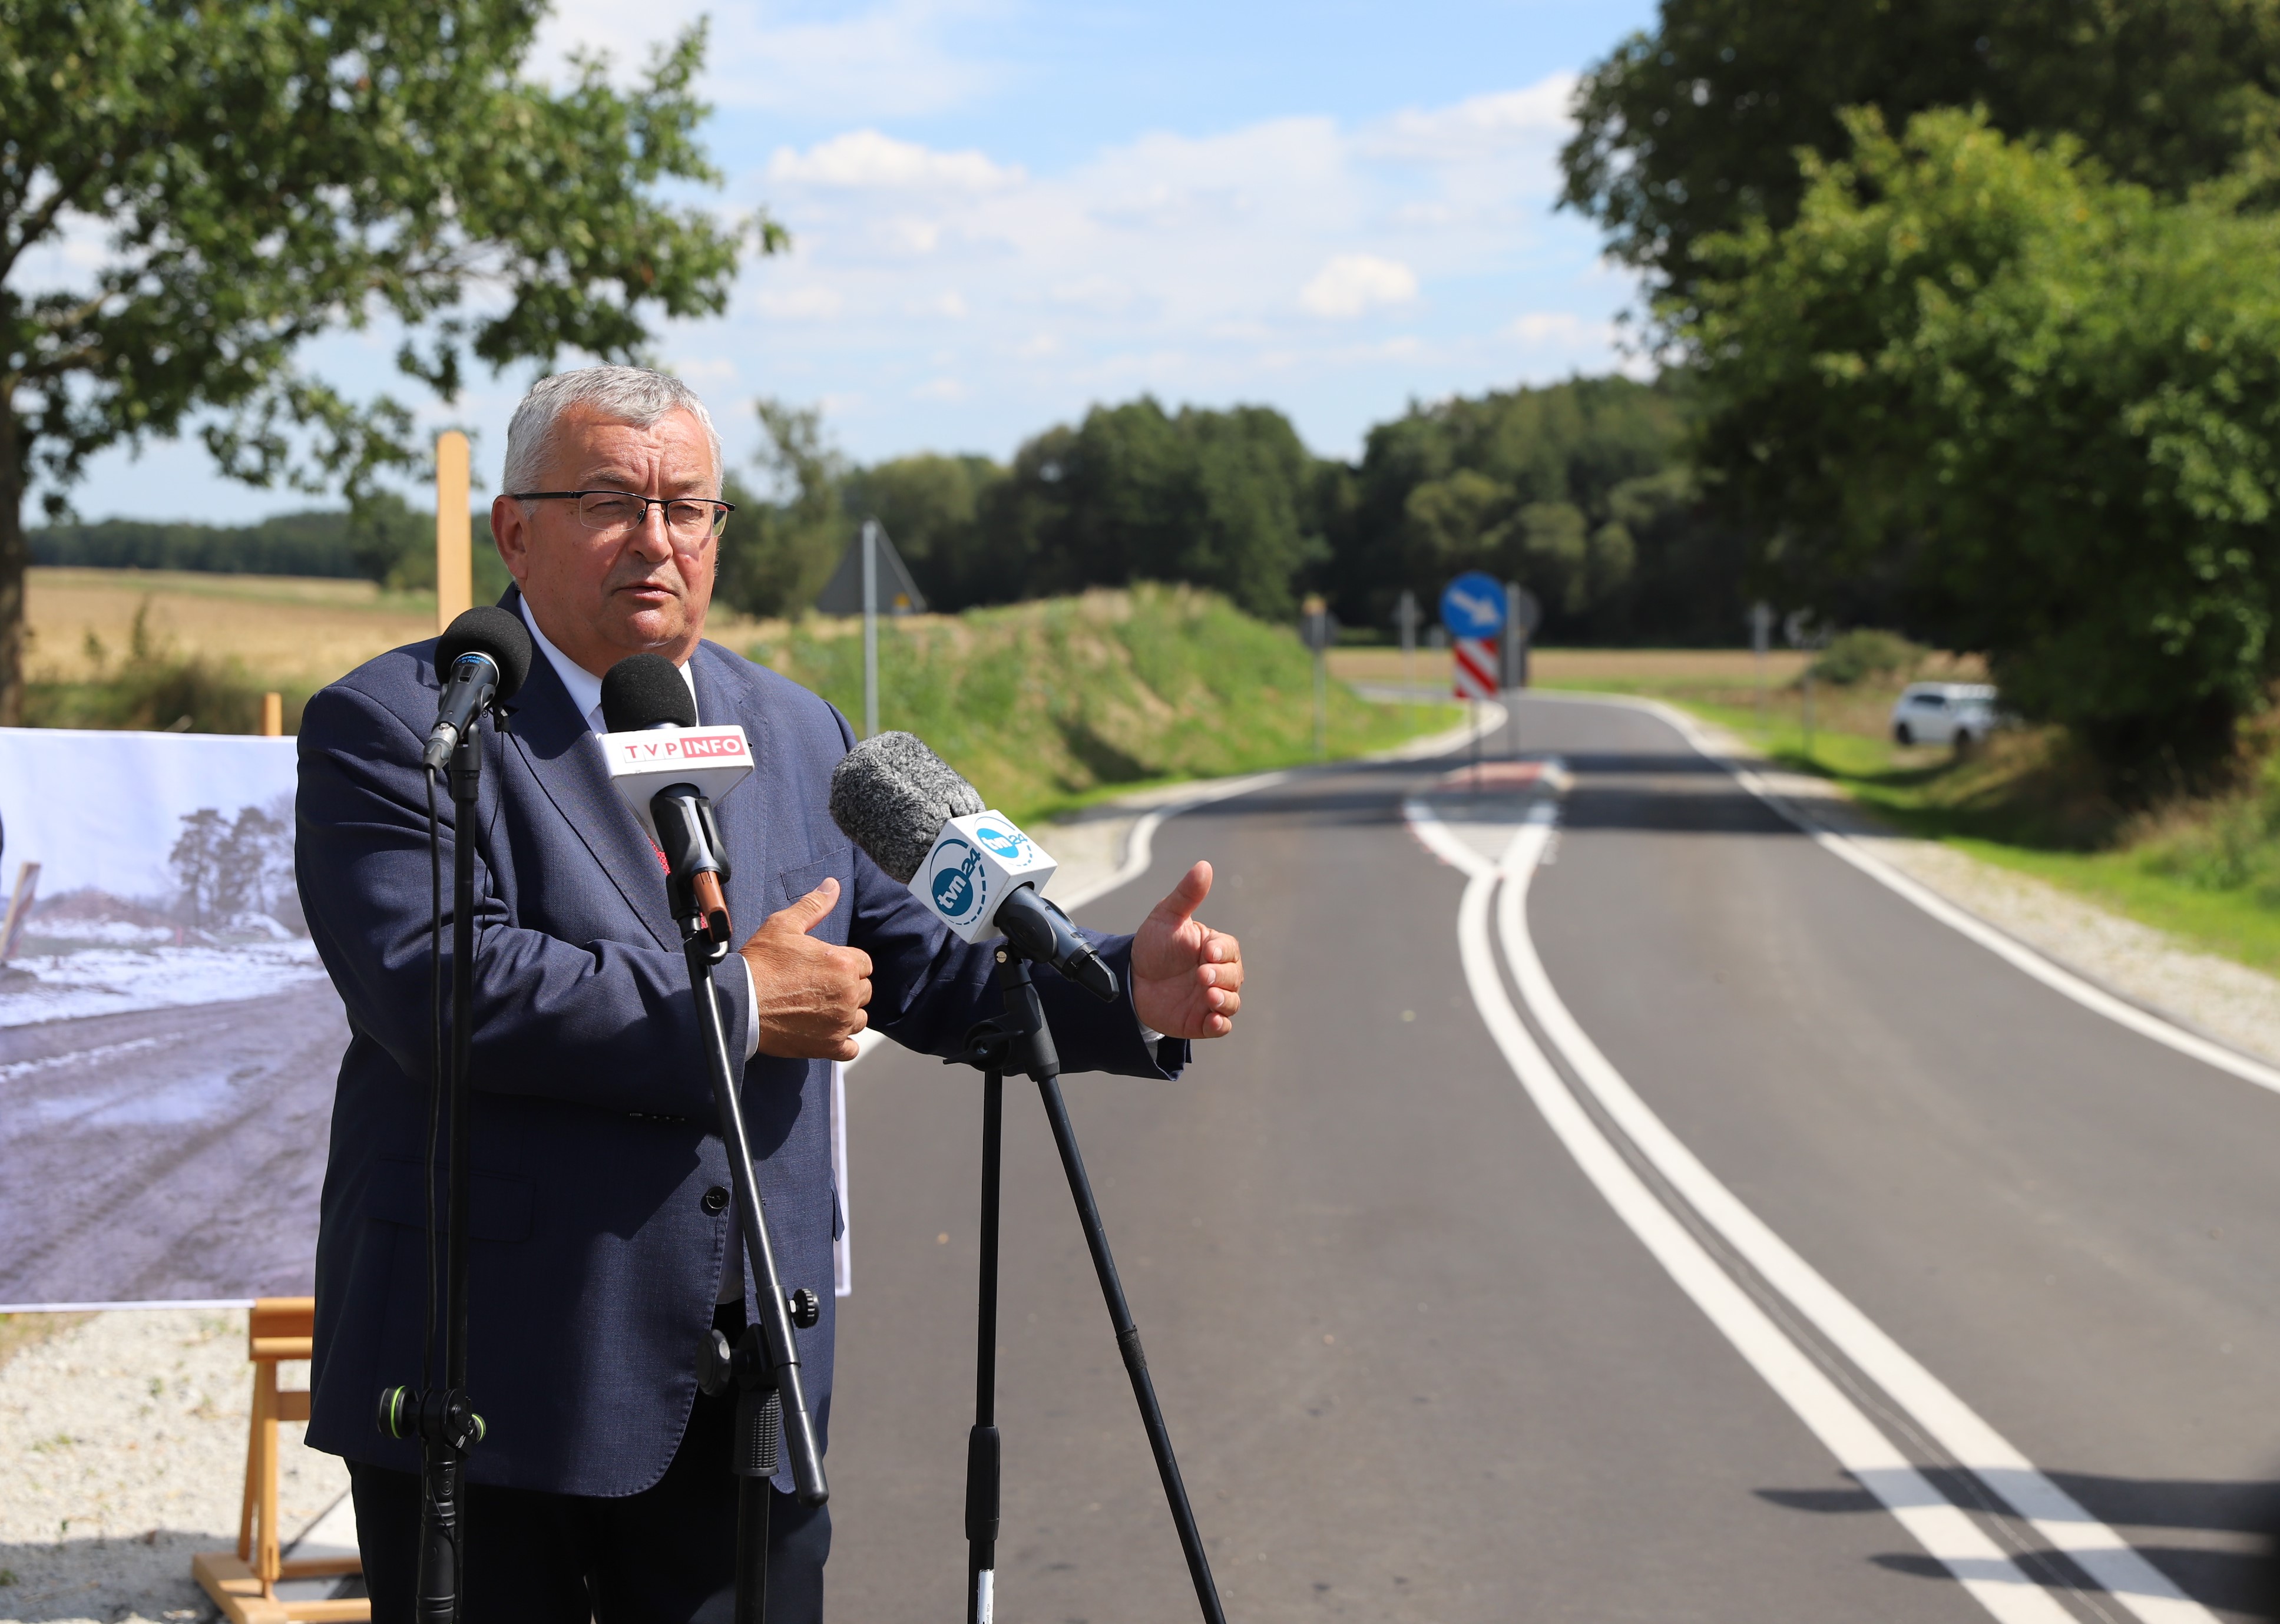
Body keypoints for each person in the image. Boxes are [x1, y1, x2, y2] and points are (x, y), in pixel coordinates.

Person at [294, 366, 1246, 1622]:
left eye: (689, 507)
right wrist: (739, 1003)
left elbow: (929, 961)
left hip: (748, 1381)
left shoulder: (800, 732)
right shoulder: (404, 723)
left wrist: (1119, 984)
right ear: (514, 530)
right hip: (499, 1378)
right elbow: (442, 985)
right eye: (610, 503)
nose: (658, 539)